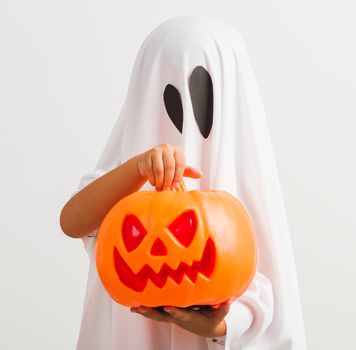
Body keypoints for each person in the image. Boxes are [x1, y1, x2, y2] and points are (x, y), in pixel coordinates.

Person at [60, 14, 307, 350]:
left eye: (202, 95)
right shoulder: (121, 182)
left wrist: (218, 325)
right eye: (168, 93)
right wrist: (135, 169)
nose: (187, 119)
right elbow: (73, 221)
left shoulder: (247, 191)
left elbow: (269, 299)